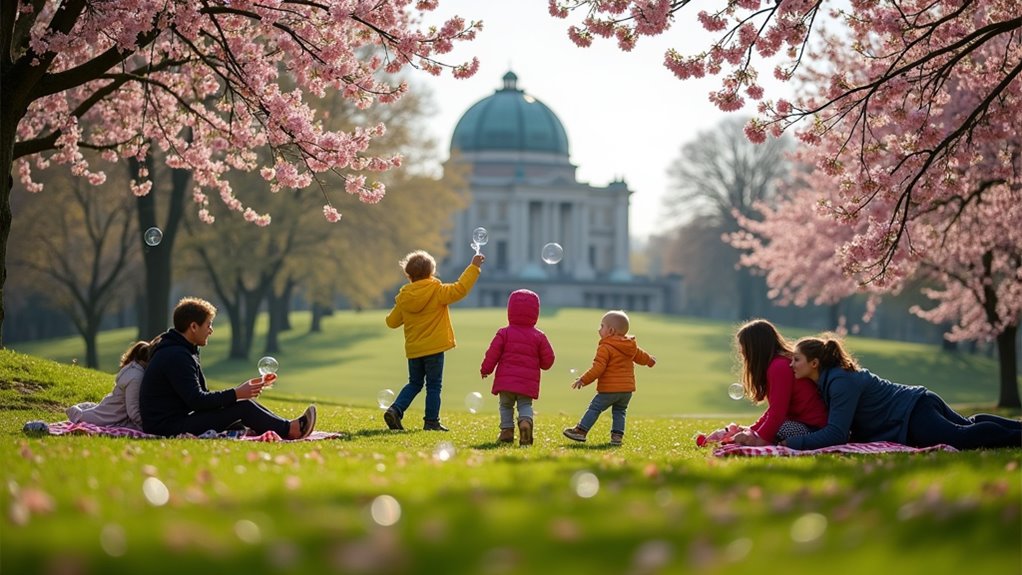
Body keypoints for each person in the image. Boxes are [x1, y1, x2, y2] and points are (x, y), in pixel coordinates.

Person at [784, 335, 1022, 450]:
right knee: (967, 425)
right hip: (918, 401)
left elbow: (836, 434)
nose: (791, 364)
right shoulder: (831, 379)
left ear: (814, 363)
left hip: (912, 412)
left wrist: (792, 443)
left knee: (962, 438)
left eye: (796, 359)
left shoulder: (840, 382)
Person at [140, 297, 316, 439]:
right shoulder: (176, 355)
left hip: (176, 420)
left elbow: (200, 396)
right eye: (208, 324)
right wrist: (236, 394)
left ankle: (285, 425)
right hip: (166, 427)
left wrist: (242, 391)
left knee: (243, 404)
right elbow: (197, 401)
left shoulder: (183, 350)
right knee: (244, 407)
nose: (211, 330)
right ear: (193, 327)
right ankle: (290, 430)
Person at [383, 250, 485, 431]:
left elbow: (392, 322)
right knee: (433, 386)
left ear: (408, 275)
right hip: (434, 349)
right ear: (431, 272)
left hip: (414, 350)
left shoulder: (404, 297)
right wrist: (474, 267)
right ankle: (431, 422)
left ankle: (395, 409)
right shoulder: (438, 291)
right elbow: (460, 289)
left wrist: (401, 307)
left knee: (414, 383)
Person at [712, 319, 829, 446]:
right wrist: (751, 430)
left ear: (755, 348)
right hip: (801, 424)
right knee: (770, 428)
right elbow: (773, 410)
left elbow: (777, 413)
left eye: (743, 347)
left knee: (777, 428)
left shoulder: (779, 366)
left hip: (813, 428)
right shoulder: (777, 364)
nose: (741, 351)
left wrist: (759, 441)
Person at [563, 310, 656, 446]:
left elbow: (598, 368)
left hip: (609, 389)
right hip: (626, 391)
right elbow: (640, 356)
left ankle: (581, 431)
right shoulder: (630, 345)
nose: (599, 330)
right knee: (619, 411)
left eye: (602, 326)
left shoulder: (606, 347)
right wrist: (650, 361)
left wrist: (583, 379)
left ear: (611, 330)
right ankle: (617, 437)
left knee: (594, 408)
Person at [480, 289, 556, 446]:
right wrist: (542, 364)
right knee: (525, 405)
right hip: (527, 383)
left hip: (505, 382)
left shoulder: (504, 333)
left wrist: (486, 369)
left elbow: (492, 354)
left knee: (505, 405)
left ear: (510, 311)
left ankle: (507, 431)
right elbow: (549, 360)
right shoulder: (539, 336)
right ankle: (525, 423)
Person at [66, 338, 160, 430]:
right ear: (145, 360)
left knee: (93, 410)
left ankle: (82, 411)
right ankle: (76, 412)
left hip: (110, 410)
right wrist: (148, 426)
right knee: (82, 416)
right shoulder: (136, 377)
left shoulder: (132, 369)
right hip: (108, 417)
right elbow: (133, 411)